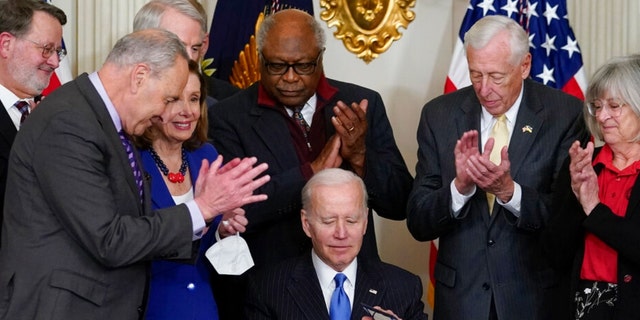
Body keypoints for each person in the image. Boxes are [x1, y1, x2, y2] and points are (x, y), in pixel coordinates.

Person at [0, 29, 270, 320]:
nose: (164, 113)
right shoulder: (69, 123)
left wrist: (206, 218)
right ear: (139, 77)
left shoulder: (105, 122)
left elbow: (132, 226)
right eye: (168, 99)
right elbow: (108, 239)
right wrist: (202, 208)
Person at [208, 8, 413, 318]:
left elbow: (400, 203)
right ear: (260, 58)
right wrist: (310, 173)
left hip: (353, 286)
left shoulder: (360, 104)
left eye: (303, 66)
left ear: (320, 58)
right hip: (271, 293)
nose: (290, 78)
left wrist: (360, 158)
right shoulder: (229, 117)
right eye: (277, 66)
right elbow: (237, 209)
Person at [406, 15, 589, 320]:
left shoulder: (565, 114)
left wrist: (509, 192)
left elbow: (567, 221)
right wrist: (459, 190)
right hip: (461, 301)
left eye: (496, 76)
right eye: (476, 74)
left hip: (533, 300)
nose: (484, 88)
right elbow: (418, 221)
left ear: (525, 65)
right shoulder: (438, 115)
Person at [135, 60, 244, 319]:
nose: (187, 111)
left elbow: (209, 247)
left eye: (194, 99)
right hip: (148, 305)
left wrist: (224, 230)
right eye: (174, 100)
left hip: (203, 304)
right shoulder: (131, 159)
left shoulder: (207, 155)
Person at [245, 168, 428, 320]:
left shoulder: (404, 288)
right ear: (306, 224)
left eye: (351, 220)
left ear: (365, 222)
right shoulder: (268, 289)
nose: (341, 234)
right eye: (328, 221)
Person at [543, 55, 640, 320]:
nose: (602, 115)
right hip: (579, 305)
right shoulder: (583, 163)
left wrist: (594, 209)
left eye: (614, 105)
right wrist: (576, 196)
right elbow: (555, 254)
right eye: (597, 106)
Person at [0, 0, 66, 246]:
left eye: (58, 52)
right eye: (47, 49)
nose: (55, 63)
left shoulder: (52, 115)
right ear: (6, 44)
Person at [133, 0, 239, 102]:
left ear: (204, 45)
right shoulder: (123, 99)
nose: (190, 58)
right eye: (178, 47)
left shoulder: (229, 102)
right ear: (144, 45)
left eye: (195, 48)